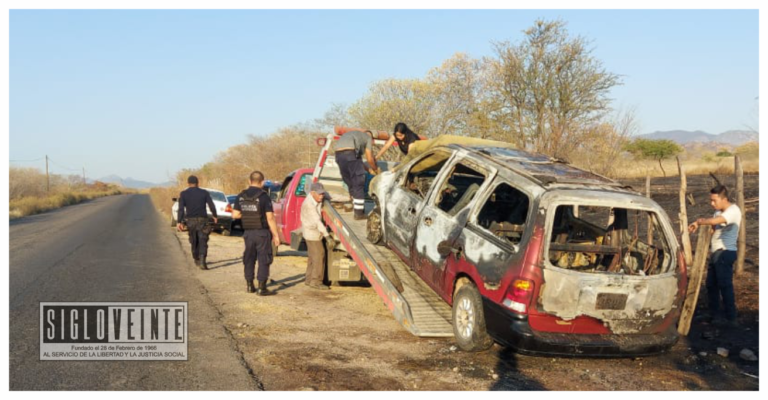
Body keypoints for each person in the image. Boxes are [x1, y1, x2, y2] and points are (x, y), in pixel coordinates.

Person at [688, 184, 743, 327]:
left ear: (724, 199)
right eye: (711, 200)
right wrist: (698, 224)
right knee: (711, 285)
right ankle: (715, 315)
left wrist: (699, 221)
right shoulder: (718, 212)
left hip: (725, 253)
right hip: (716, 253)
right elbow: (712, 228)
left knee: (725, 286)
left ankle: (731, 318)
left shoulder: (733, 211)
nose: (712, 203)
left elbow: (713, 222)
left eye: (714, 200)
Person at [232, 171, 282, 295]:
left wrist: (248, 213)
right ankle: (262, 288)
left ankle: (250, 285)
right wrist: (276, 235)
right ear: (262, 182)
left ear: (249, 181)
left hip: (248, 233)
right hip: (262, 233)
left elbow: (235, 215)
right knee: (263, 259)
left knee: (249, 259)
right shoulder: (264, 197)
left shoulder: (241, 196)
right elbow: (270, 218)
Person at [335, 129, 378, 220]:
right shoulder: (368, 138)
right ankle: (359, 214)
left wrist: (368, 169)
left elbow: (358, 161)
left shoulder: (354, 135)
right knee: (358, 183)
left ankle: (356, 207)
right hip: (350, 153)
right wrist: (375, 169)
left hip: (338, 155)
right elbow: (369, 159)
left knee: (350, 182)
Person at [177, 175, 218, 270]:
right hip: (203, 220)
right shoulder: (204, 193)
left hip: (190, 221)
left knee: (193, 240)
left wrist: (180, 221)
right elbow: (211, 205)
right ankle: (202, 260)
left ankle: (196, 258)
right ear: (197, 183)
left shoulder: (184, 194)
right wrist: (214, 215)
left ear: (188, 183)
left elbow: (181, 209)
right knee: (203, 240)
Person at [300, 182, 333, 290]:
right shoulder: (309, 205)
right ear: (312, 193)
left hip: (311, 232)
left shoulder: (316, 198)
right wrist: (327, 237)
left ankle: (309, 279)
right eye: (319, 194)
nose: (321, 196)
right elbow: (318, 222)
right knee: (319, 255)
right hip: (312, 233)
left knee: (313, 257)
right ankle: (316, 281)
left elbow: (331, 196)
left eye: (322, 194)